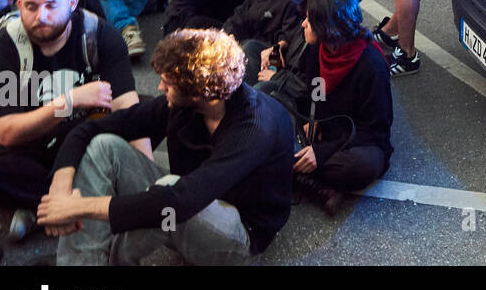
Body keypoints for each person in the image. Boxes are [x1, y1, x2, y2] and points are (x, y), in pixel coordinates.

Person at [37, 28, 295, 265]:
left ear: (198, 92)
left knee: (167, 192)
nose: (159, 87)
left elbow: (180, 201)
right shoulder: (187, 104)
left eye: (168, 84)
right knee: (104, 146)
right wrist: (60, 192)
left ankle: (102, 259)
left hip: (240, 236)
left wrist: (78, 207)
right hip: (187, 202)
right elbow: (88, 130)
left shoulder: (255, 127)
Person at [0, 0, 143, 242]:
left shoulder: (101, 35)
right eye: (31, 6)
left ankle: (43, 209)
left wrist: (144, 189)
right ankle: (77, 204)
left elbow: (130, 111)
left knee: (148, 112)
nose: (42, 16)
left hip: (82, 138)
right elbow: (5, 133)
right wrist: (69, 101)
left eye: (51, 5)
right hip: (27, 148)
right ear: (18, 5)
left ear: (72, 4)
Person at [289, 0, 392, 214]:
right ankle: (315, 184)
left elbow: (376, 130)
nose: (303, 24)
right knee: (278, 116)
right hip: (327, 130)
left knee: (360, 166)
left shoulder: (371, 66)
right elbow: (315, 92)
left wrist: (322, 151)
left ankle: (298, 175)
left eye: (309, 20)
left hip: (358, 142)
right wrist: (315, 121)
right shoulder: (317, 50)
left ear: (327, 29)